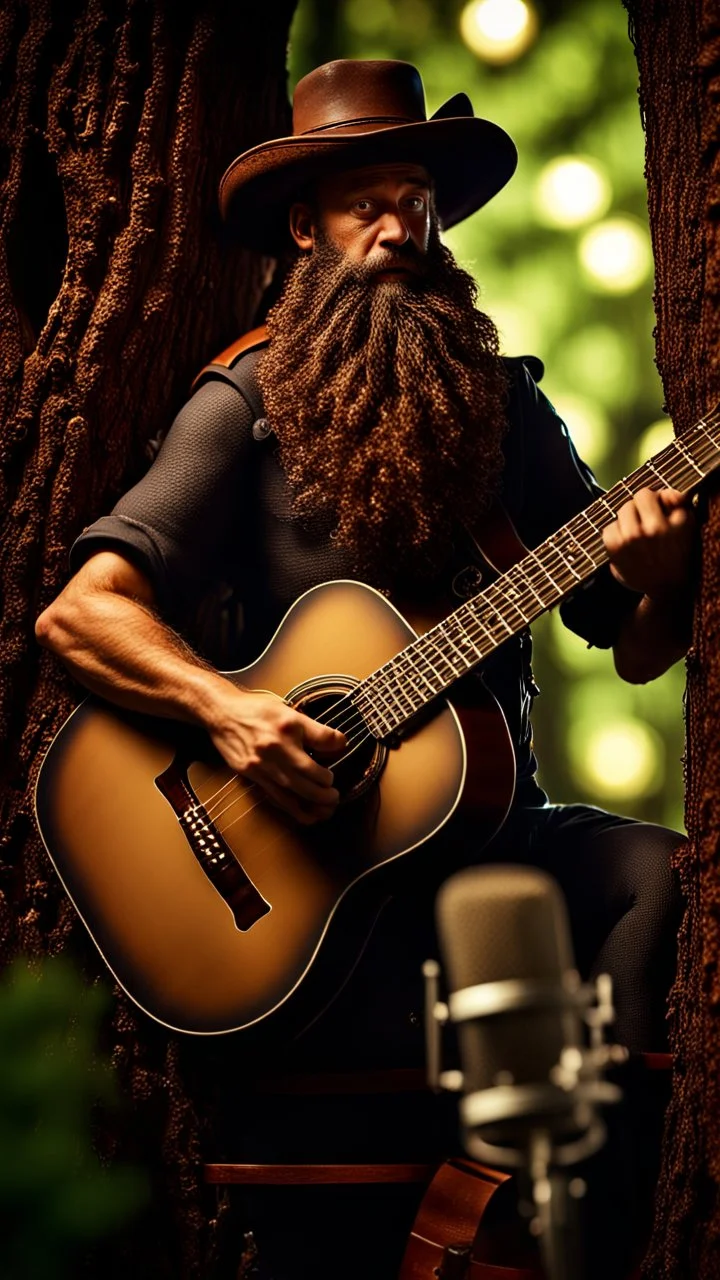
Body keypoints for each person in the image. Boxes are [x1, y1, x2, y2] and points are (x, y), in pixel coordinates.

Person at [35, 59, 695, 1280]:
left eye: (418, 199)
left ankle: (523, 1202)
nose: (402, 227)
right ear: (307, 227)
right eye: (367, 204)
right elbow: (83, 614)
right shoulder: (244, 401)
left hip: (494, 836)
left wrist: (657, 575)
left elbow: (636, 640)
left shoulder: (506, 410)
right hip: (315, 874)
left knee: (673, 882)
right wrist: (232, 716)